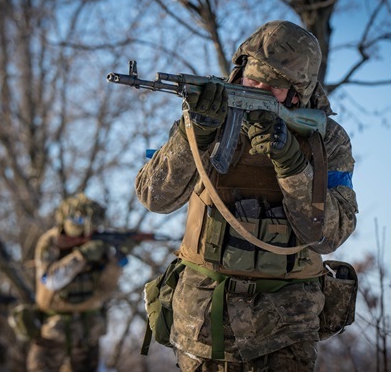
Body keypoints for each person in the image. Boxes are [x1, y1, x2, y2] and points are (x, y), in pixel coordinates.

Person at [135, 20, 358, 371]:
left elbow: (330, 234)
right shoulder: (207, 118)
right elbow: (154, 196)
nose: (256, 90)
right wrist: (199, 132)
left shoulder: (327, 140)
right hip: (203, 323)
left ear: (298, 92)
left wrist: (292, 164)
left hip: (286, 327)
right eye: (252, 81)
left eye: (273, 88)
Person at [27, 193, 133, 372]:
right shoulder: (51, 241)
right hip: (53, 327)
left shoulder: (99, 243)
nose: (84, 228)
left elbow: (105, 288)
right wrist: (81, 256)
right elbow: (50, 280)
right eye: (78, 220)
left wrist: (118, 260)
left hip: (88, 328)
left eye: (90, 222)